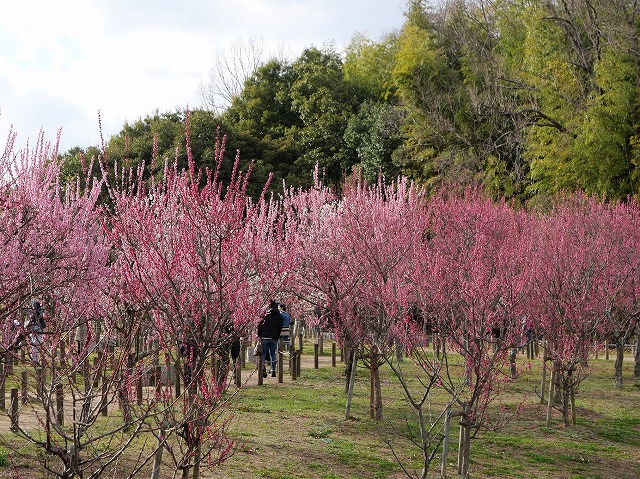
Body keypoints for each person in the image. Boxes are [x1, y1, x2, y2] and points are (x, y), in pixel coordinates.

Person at [257, 300, 283, 378]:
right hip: (273, 337)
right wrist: (277, 335)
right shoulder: (278, 315)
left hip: (264, 336)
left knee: (263, 353)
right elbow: (280, 326)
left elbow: (259, 325)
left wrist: (259, 335)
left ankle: (263, 368)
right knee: (273, 354)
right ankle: (273, 370)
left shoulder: (264, 314)